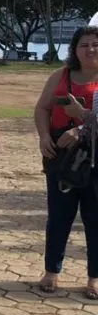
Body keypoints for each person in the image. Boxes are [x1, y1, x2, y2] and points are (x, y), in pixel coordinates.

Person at [34, 26, 98, 297]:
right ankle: (52, 272)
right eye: (84, 45)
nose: (91, 50)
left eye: (96, 44)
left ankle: (94, 278)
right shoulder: (60, 76)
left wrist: (81, 126)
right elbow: (42, 108)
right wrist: (44, 136)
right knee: (59, 215)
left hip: (95, 157)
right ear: (74, 49)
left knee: (95, 219)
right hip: (62, 156)